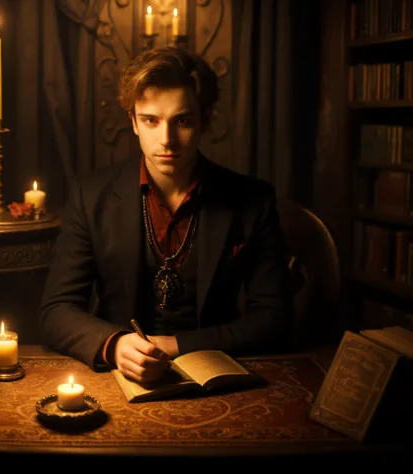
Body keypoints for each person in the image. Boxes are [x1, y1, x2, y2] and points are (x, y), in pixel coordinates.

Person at [39, 46, 294, 384]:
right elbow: (55, 312)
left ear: (205, 119)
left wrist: (174, 345)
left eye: (183, 121)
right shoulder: (91, 194)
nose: (167, 140)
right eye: (151, 121)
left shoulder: (253, 199)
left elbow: (274, 319)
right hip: (119, 379)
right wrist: (114, 345)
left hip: (218, 378)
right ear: (133, 122)